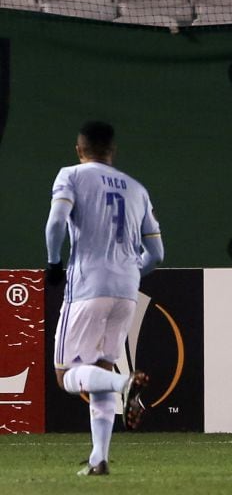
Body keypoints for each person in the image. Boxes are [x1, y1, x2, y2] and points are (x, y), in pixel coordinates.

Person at [45, 121, 164, 474]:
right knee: (99, 369)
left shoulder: (72, 175)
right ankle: (99, 459)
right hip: (127, 291)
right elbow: (156, 253)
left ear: (79, 149)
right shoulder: (136, 189)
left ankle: (123, 384)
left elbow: (56, 222)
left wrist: (53, 262)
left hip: (86, 286)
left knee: (67, 375)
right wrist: (128, 274)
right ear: (112, 152)